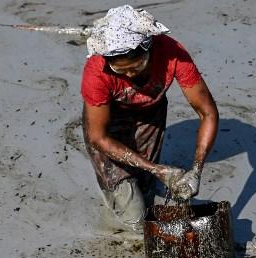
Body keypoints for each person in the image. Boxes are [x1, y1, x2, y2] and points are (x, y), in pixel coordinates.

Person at [81, 5, 218, 230]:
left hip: (150, 115)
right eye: (121, 71)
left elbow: (208, 112)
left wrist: (196, 169)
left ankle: (141, 187)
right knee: (134, 217)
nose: (130, 75)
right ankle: (113, 209)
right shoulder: (96, 72)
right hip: (106, 124)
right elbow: (98, 136)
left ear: (149, 49)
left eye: (136, 67)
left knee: (146, 198)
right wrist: (156, 168)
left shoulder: (173, 54)